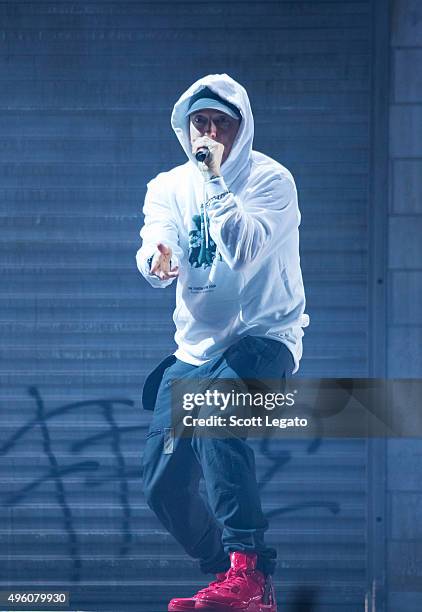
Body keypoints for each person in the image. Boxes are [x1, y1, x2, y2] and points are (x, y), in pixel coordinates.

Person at [136, 74, 309, 612]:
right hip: (195, 352)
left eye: (220, 125)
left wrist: (214, 181)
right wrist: (156, 261)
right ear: (186, 128)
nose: (207, 135)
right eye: (199, 124)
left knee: (214, 417)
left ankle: (250, 570)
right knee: (162, 487)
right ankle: (224, 575)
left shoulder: (270, 181)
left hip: (265, 340)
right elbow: (156, 239)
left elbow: (244, 248)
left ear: (241, 130)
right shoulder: (167, 185)